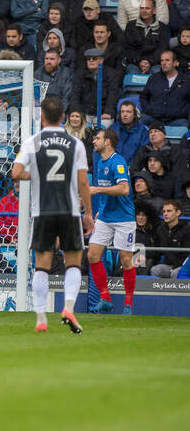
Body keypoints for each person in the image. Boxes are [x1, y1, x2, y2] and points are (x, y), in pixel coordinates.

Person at [11, 95, 94, 333]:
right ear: (64, 118)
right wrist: (88, 213)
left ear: (43, 117)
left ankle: (40, 317)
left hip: (43, 211)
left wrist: (35, 175)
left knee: (42, 266)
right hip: (69, 211)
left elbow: (15, 172)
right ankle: (68, 307)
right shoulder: (75, 143)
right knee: (74, 263)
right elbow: (83, 183)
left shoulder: (32, 141)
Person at [86, 127, 137, 314]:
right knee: (92, 255)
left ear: (107, 141)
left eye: (97, 138)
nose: (94, 141)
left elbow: (124, 189)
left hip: (124, 218)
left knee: (125, 260)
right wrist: (99, 211)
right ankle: (105, 298)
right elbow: (105, 189)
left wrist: (97, 190)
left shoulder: (118, 162)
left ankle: (128, 304)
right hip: (106, 217)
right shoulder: (99, 162)